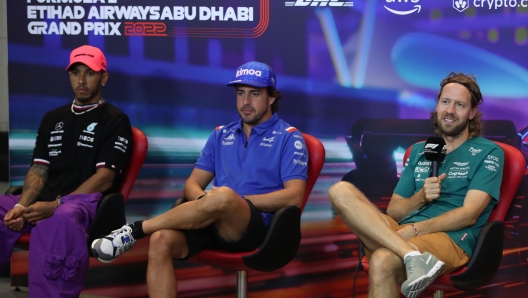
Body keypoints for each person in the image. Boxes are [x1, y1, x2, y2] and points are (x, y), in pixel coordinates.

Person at [91, 61, 309, 297]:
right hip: (211, 221)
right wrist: (206, 203)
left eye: (254, 94)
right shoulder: (220, 134)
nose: (245, 102)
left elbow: (294, 196)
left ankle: (134, 231)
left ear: (271, 98)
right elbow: (191, 185)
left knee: (224, 195)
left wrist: (232, 201)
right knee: (161, 241)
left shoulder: (289, 137)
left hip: (258, 230)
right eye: (240, 94)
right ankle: (144, 232)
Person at [328, 72, 504, 298]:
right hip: (403, 234)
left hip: (450, 239)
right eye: (445, 102)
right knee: (340, 191)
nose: (450, 110)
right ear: (437, 106)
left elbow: (469, 215)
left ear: (471, 113)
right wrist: (420, 197)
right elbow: (395, 211)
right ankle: (413, 257)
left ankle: (409, 254)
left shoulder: (489, 152)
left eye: (459, 105)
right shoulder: (421, 150)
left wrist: (414, 230)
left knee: (383, 259)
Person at [0, 45, 132, 298]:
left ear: (103, 77)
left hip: (83, 204)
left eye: (89, 73)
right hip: (45, 200)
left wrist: (56, 204)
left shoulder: (115, 119)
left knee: (59, 219)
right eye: (75, 73)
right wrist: (22, 206)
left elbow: (105, 178)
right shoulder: (52, 117)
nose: (81, 80)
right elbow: (39, 169)